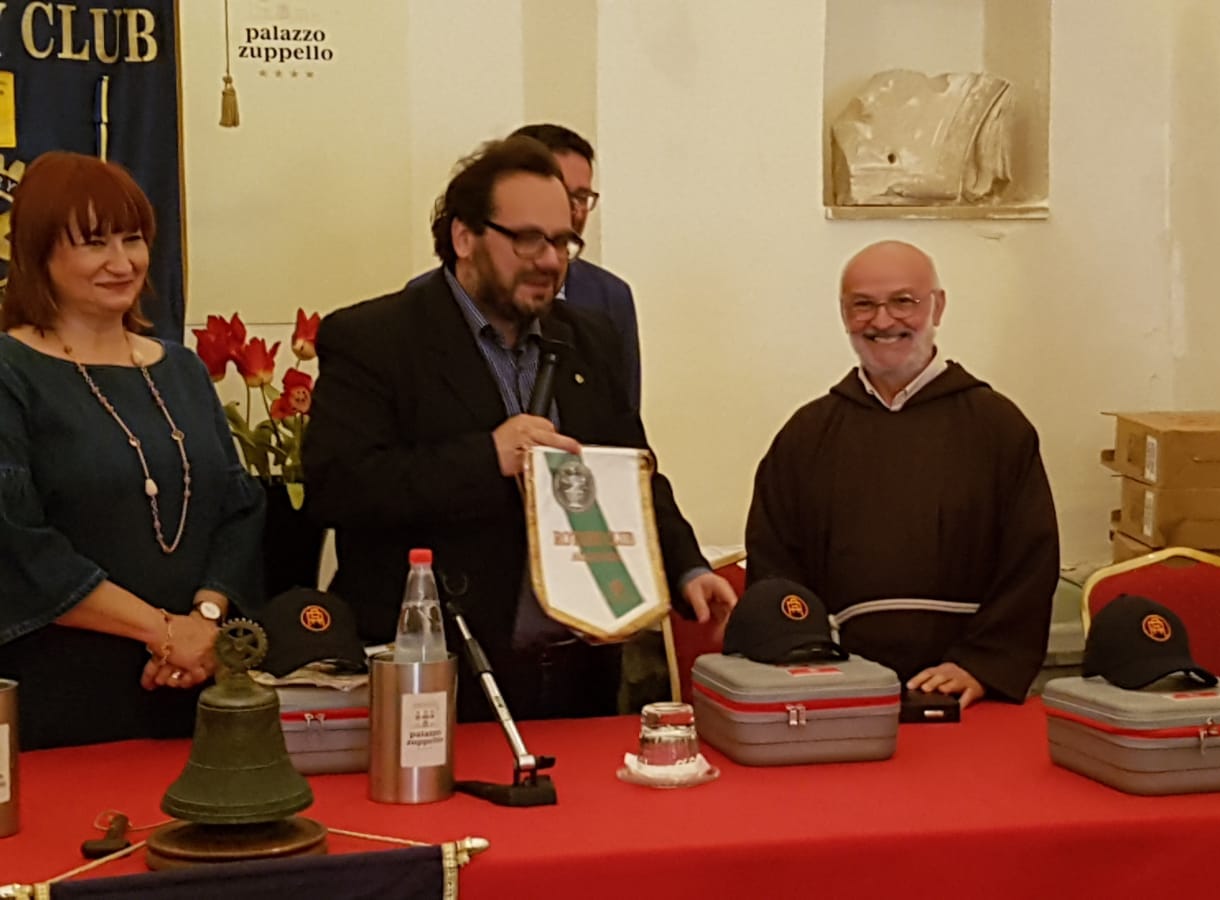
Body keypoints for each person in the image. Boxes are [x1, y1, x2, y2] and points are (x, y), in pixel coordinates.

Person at [302, 137, 735, 722]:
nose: (551, 261)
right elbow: (339, 487)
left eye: (562, 241)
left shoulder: (588, 339)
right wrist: (488, 457)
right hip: (445, 673)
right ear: (465, 237)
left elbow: (630, 470)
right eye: (529, 239)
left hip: (580, 670)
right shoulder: (376, 339)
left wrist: (686, 567)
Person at [0, 152, 264, 750]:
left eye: (133, 239)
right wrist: (162, 631)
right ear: (39, 254)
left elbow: (238, 509)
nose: (123, 263)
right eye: (95, 244)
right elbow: (15, 541)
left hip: (195, 681)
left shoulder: (183, 370)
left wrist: (205, 623)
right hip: (59, 694)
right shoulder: (11, 370)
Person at [744, 240, 1059, 708]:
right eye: (863, 305)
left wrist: (981, 664)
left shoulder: (998, 427)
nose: (883, 321)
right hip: (837, 689)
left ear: (938, 306)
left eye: (903, 301)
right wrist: (808, 657)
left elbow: (1030, 562)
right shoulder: (806, 435)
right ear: (843, 313)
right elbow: (774, 563)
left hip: (966, 691)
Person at [509, 123, 642, 412]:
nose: (574, 210)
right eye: (560, 192)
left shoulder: (611, 296)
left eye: (582, 197)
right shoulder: (440, 295)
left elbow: (624, 416)